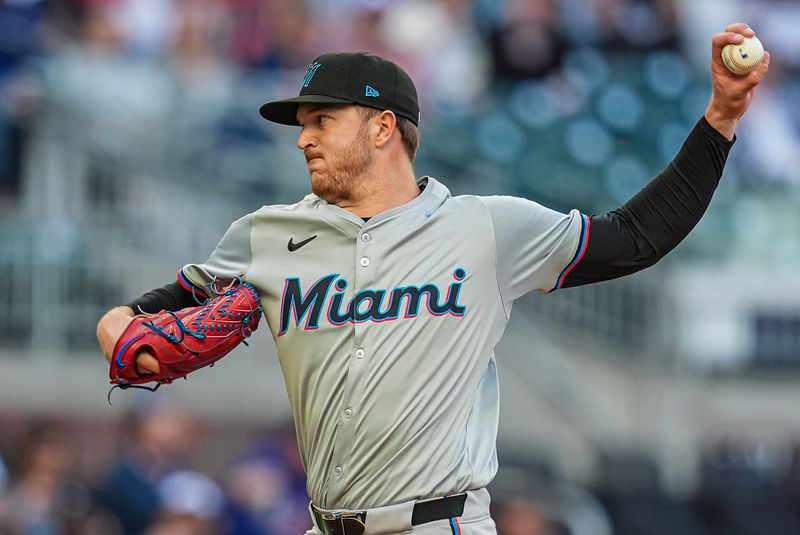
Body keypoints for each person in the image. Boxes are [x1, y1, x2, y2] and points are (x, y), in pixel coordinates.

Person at [97, 23, 769, 535]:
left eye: (322, 119)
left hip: (438, 522)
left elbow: (635, 237)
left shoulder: (484, 228)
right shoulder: (265, 236)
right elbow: (160, 306)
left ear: (383, 126)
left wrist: (721, 120)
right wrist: (117, 325)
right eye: (302, 124)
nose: (303, 138)